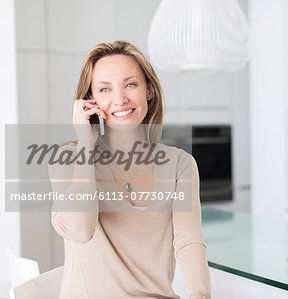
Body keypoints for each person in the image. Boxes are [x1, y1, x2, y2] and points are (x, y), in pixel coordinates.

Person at [47, 40, 211, 299]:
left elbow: (188, 240)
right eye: (104, 89)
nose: (120, 99)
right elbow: (80, 230)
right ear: (90, 101)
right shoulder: (67, 158)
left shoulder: (180, 164)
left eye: (130, 84)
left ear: (149, 90)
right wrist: (86, 144)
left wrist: (200, 294)